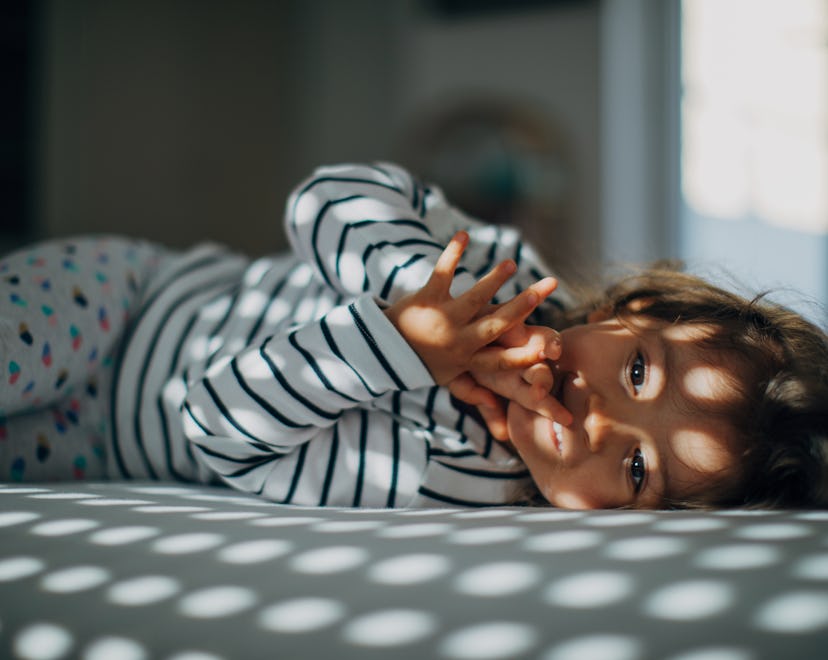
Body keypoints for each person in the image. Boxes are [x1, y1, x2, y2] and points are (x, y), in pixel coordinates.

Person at [1, 162, 826, 509]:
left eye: (638, 470)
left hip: (106, 444)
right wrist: (418, 300)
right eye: (639, 371)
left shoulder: (458, 478)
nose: (597, 416)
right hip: (128, 300)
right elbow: (323, 198)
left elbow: (214, 423)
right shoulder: (500, 272)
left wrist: (392, 351)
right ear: (633, 311)